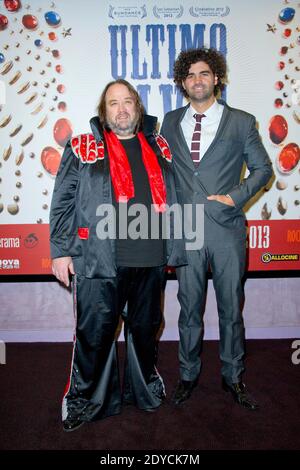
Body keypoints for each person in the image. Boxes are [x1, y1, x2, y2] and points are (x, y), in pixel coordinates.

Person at [50, 79, 186, 431]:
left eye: (128, 102)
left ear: (137, 108)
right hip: (98, 260)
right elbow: (63, 202)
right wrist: (61, 251)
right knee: (94, 335)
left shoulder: (159, 145)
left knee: (145, 331)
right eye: (113, 103)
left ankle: (144, 392)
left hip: (150, 258)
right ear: (104, 110)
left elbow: (174, 197)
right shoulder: (82, 147)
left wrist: (175, 245)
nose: (122, 109)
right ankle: (85, 401)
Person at [160, 47, 273, 410]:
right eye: (190, 75)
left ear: (217, 78)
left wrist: (234, 197)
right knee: (188, 309)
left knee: (230, 309)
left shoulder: (241, 121)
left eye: (204, 73)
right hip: (187, 230)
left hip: (226, 229)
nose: (198, 80)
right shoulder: (169, 120)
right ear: (182, 82)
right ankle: (188, 375)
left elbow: (262, 170)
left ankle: (233, 377)